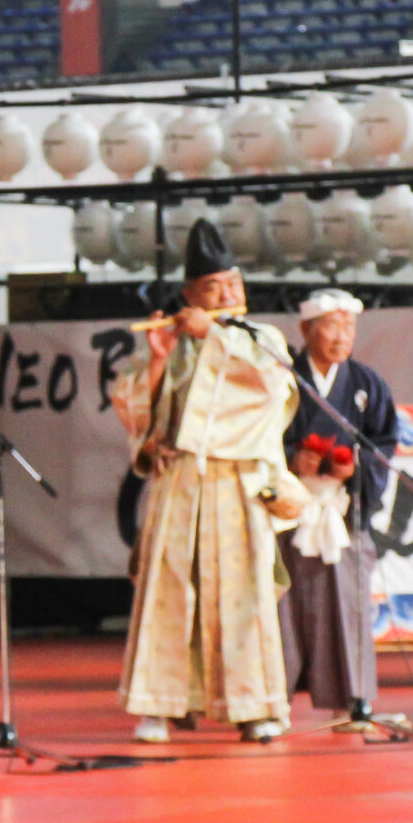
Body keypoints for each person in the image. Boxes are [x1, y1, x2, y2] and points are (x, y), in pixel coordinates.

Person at [114, 219, 302, 744]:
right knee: (169, 594)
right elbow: (134, 408)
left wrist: (214, 335)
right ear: (189, 294)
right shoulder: (171, 341)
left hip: (237, 481)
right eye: (214, 287)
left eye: (234, 284)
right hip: (180, 481)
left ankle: (252, 707)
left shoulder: (259, 337)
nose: (228, 293)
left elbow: (270, 388)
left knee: (242, 597)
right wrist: (155, 362)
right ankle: (160, 703)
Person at [277, 288, 399, 728]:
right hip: (286, 510)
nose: (341, 334)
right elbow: (255, 434)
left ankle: (352, 701)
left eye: (349, 325)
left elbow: (384, 443)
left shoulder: (366, 385)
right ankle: (271, 703)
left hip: (342, 509)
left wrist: (356, 467)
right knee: (280, 609)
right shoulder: (282, 378)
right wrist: (291, 457)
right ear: (306, 329)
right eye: (331, 324)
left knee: (347, 607)